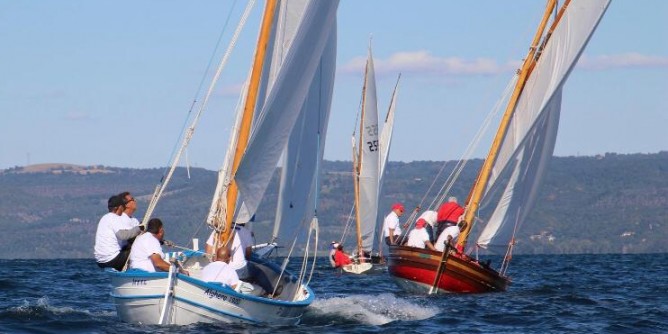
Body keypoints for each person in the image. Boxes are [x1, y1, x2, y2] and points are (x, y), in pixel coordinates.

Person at [94, 195, 143, 271]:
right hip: (112, 259)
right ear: (119, 207)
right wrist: (139, 228)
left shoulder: (105, 218)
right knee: (139, 249)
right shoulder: (114, 218)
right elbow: (123, 235)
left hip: (100, 261)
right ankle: (140, 274)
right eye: (122, 206)